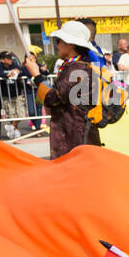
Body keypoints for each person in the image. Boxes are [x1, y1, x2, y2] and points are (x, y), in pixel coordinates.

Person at [30, 20, 102, 158]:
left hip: (74, 136)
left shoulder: (76, 69)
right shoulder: (80, 67)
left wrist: (37, 76)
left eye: (59, 41)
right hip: (76, 132)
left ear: (70, 44)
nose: (57, 45)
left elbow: (53, 98)